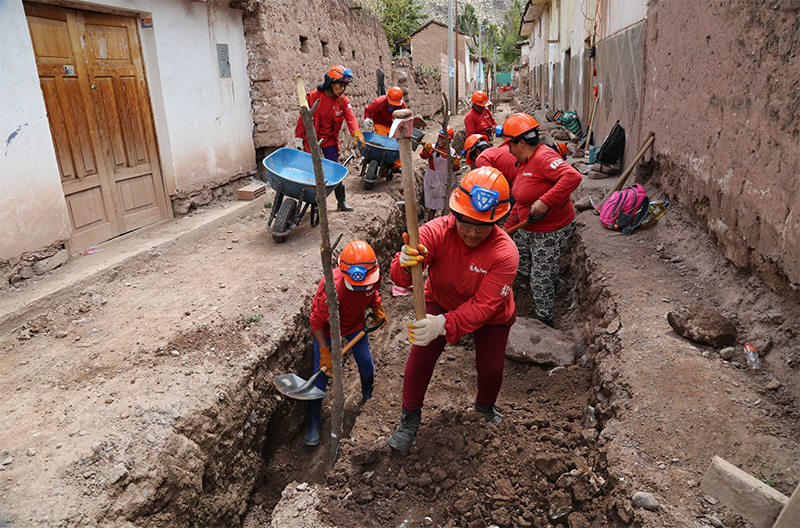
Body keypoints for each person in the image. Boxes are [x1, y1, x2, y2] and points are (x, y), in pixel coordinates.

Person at [387, 167, 519, 454]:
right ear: (456, 213)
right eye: (467, 222)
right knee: (421, 354)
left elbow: (484, 306)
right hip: (441, 299)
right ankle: (409, 418)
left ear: (498, 219)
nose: (473, 232)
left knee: (491, 366)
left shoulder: (505, 253)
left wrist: (443, 325)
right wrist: (405, 263)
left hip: (492, 315)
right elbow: (399, 279)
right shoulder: (434, 232)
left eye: (482, 225)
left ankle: (484, 407)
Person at [498, 113, 582, 328]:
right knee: (519, 258)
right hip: (530, 227)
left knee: (539, 279)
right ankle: (554, 281)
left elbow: (573, 177)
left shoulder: (543, 157)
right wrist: (506, 230)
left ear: (521, 142)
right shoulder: (523, 163)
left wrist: (545, 201)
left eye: (509, 145)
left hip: (551, 229)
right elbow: (520, 202)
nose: (508, 150)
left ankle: (545, 321)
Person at [305, 240, 387, 446]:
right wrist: (325, 351)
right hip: (327, 329)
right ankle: (312, 420)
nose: (362, 288)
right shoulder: (332, 288)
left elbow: (372, 294)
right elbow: (315, 321)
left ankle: (368, 396)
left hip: (354, 324)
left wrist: (377, 308)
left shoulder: (372, 277)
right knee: (321, 372)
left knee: (365, 361)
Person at [294, 65, 365, 212]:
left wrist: (356, 132)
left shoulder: (342, 101)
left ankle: (341, 200)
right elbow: (302, 118)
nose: (343, 89)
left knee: (334, 167)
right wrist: (298, 137)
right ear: (331, 83)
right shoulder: (313, 96)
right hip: (311, 138)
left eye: (345, 86)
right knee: (311, 170)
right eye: (341, 85)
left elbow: (350, 118)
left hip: (329, 139)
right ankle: (314, 202)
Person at [420, 127, 460, 222]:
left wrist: (456, 164)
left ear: (448, 140)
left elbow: (456, 169)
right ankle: (429, 225)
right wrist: (425, 151)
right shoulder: (432, 149)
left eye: (442, 138)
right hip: (435, 181)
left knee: (447, 206)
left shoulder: (452, 152)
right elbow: (423, 156)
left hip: (448, 181)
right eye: (439, 137)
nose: (439, 140)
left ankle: (444, 224)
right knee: (433, 206)